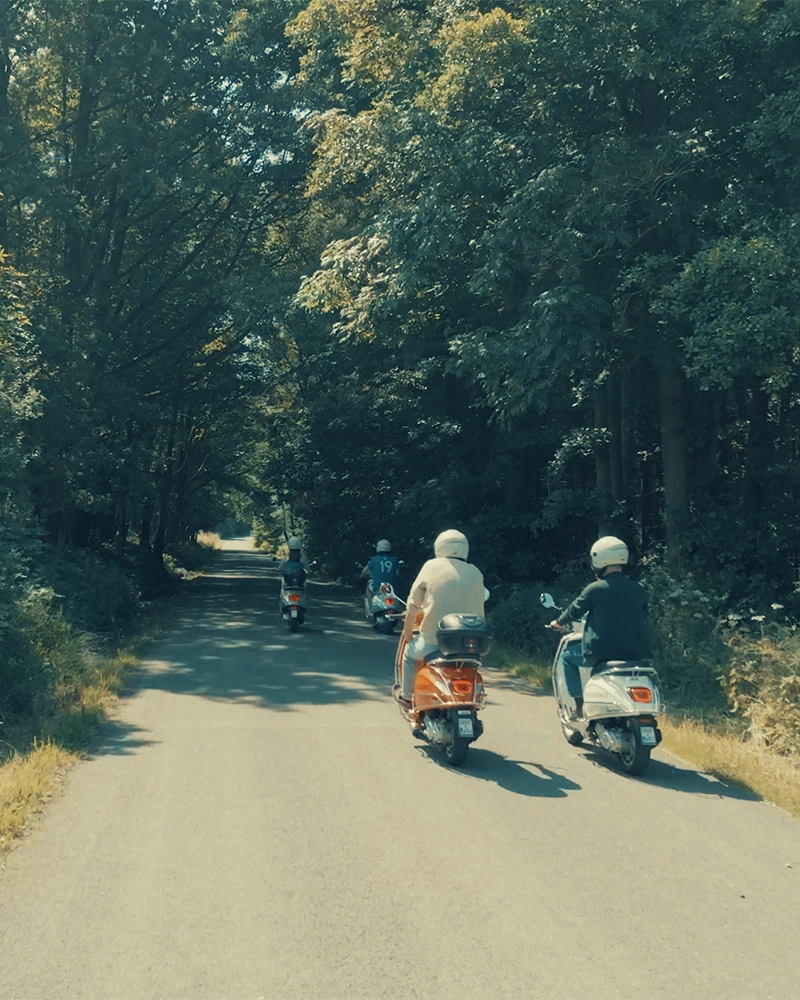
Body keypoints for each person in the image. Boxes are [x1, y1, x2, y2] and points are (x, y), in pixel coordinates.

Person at [549, 536, 651, 720]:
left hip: (601, 653)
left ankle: (579, 707)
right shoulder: (638, 588)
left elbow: (574, 610)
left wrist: (559, 622)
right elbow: (644, 615)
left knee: (567, 658)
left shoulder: (595, 589)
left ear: (599, 559)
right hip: (635, 653)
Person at [395, 529, 485, 706]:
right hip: (472, 644)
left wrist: (407, 634)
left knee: (409, 655)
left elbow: (413, 605)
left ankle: (407, 697)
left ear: (439, 547)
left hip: (433, 641)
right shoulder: (476, 572)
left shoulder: (431, 567)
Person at [361, 539, 402, 604]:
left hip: (378, 587)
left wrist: (363, 575)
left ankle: (371, 607)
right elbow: (397, 573)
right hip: (391, 588)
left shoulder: (374, 559)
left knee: (368, 589)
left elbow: (364, 571)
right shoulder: (394, 560)